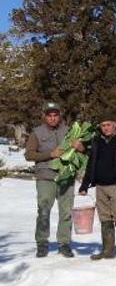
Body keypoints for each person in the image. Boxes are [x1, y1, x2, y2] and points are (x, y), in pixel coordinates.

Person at [25, 102, 84, 258]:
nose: (52, 118)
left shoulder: (69, 131)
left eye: (55, 115)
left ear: (60, 116)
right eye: (49, 115)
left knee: (66, 212)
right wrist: (50, 154)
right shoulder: (36, 133)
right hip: (46, 176)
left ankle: (64, 243)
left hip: (66, 177)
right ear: (44, 116)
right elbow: (29, 154)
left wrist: (80, 147)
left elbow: (84, 150)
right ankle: (42, 242)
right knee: (44, 211)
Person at [79, 115, 116, 265]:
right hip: (100, 186)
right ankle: (107, 250)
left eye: (108, 124)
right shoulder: (97, 141)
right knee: (104, 219)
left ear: (115, 124)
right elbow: (91, 163)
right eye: (103, 125)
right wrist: (85, 184)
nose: (106, 128)